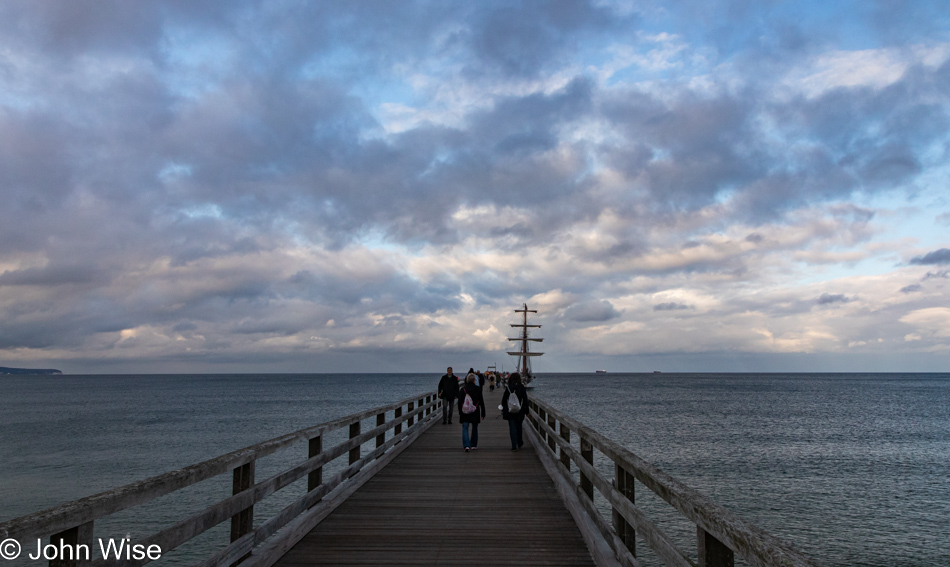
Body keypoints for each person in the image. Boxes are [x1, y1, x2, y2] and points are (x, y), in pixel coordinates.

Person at [457, 373, 486, 452]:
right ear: (474, 380)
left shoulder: (463, 389)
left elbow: (460, 402)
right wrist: (483, 413)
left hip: (465, 411)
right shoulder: (478, 389)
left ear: (467, 380)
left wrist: (460, 412)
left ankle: (466, 445)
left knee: (465, 427)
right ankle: (473, 445)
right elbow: (481, 402)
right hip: (475, 411)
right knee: (474, 427)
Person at [502, 372, 528, 451]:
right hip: (519, 410)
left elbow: (504, 400)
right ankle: (519, 442)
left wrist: (505, 408)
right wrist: (526, 410)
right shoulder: (521, 387)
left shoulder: (509, 387)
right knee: (519, 427)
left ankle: (514, 446)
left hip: (510, 411)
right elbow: (525, 399)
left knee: (512, 428)